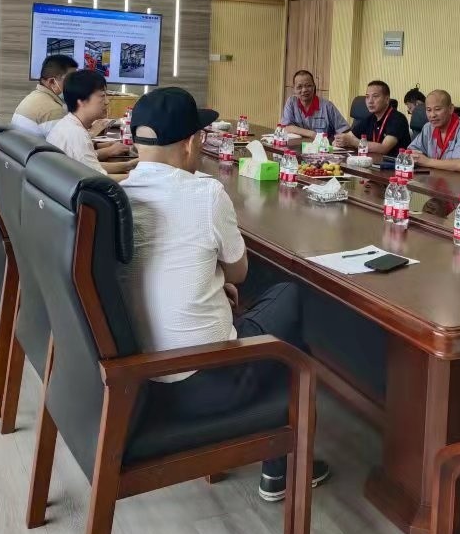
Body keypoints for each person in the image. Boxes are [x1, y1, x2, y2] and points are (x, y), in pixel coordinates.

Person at [119, 86, 330, 501]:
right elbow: (240, 271)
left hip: (139, 376)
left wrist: (211, 282)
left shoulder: (121, 194)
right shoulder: (205, 194)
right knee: (287, 303)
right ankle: (284, 463)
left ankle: (282, 462)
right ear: (191, 142)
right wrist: (221, 279)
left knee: (272, 331)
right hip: (203, 380)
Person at [47, 70, 134, 180]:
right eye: (102, 96)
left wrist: (129, 165)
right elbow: (100, 180)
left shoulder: (68, 124)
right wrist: (140, 178)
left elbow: (92, 167)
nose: (107, 101)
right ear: (81, 101)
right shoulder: (77, 135)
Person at [333, 80, 411, 155]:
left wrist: (353, 142)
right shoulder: (369, 118)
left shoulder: (398, 119)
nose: (370, 101)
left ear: (387, 99)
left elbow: (384, 148)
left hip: (393, 163)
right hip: (371, 161)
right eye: (367, 97)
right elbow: (349, 136)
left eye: (375, 96)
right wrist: (340, 140)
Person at [409, 90, 460, 172]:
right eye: (428, 110)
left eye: (437, 109)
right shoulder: (428, 128)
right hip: (434, 177)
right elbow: (410, 152)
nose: (432, 115)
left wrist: (427, 161)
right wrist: (414, 157)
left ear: (450, 109)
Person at [11, 53, 78, 138]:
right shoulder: (53, 110)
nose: (75, 84)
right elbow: (69, 145)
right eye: (71, 80)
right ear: (52, 82)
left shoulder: (34, 97)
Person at [280, 69, 349, 140]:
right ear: (294, 89)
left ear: (314, 87)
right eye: (299, 87)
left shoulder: (327, 106)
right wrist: (313, 134)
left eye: (308, 85)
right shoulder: (291, 102)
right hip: (297, 145)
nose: (304, 90)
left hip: (323, 146)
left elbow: (345, 131)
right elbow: (286, 127)